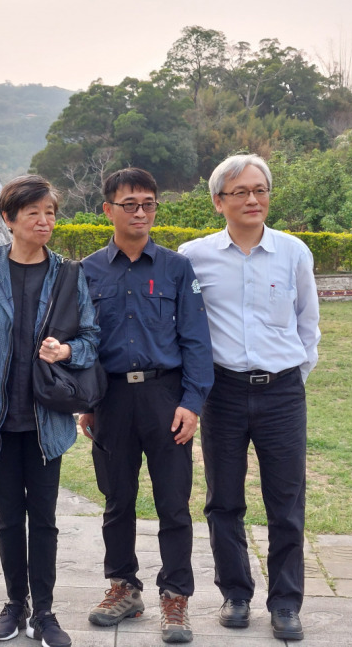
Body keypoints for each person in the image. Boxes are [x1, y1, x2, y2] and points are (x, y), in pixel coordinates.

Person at [178, 154, 320, 641]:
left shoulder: (293, 252)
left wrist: (293, 378)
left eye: (260, 190)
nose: (253, 199)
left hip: (282, 393)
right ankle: (235, 593)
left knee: (286, 502)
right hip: (222, 392)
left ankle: (285, 603)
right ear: (219, 201)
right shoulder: (193, 256)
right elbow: (185, 328)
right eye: (240, 192)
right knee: (223, 500)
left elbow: (308, 324)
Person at [0, 175, 99, 647]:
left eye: (50, 213)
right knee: (6, 518)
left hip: (46, 420)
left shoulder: (68, 274)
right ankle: (14, 604)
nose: (44, 221)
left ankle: (45, 611)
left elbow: (92, 338)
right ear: (9, 218)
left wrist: (67, 351)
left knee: (43, 519)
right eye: (34, 212)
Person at [79, 168, 213, 645]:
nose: (140, 212)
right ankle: (123, 587)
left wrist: (192, 403)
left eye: (149, 204)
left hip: (166, 398)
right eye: (130, 204)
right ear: (108, 210)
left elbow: (196, 340)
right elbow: (84, 342)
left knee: (173, 503)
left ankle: (175, 596)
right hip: (111, 399)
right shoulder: (88, 271)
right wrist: (87, 403)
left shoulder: (177, 268)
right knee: (117, 500)